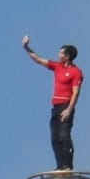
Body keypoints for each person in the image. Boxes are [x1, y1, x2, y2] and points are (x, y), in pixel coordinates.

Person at [22, 35, 83, 171]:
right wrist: (26, 47)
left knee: (64, 135)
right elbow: (39, 60)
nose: (58, 54)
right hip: (55, 106)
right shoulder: (58, 67)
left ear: (67, 56)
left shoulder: (76, 72)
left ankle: (68, 165)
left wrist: (69, 109)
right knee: (55, 136)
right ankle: (60, 165)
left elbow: (76, 92)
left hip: (66, 106)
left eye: (61, 53)